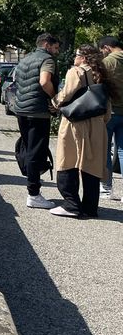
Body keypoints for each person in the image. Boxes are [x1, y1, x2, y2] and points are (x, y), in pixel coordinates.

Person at [50, 45, 113, 217]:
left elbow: (66, 94)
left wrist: (54, 102)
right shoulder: (101, 74)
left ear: (83, 57)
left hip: (75, 123)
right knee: (91, 165)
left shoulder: (76, 72)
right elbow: (107, 105)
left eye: (76, 55)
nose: (74, 58)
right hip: (98, 124)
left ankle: (71, 205)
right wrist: (102, 121)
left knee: (67, 161)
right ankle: (90, 207)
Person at [13, 33, 60, 209]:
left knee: (28, 148)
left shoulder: (25, 59)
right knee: (36, 152)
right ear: (47, 45)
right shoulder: (47, 59)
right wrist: (55, 98)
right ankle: (33, 194)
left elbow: (18, 81)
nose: (56, 52)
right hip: (38, 111)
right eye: (55, 48)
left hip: (21, 110)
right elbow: (44, 81)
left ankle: (32, 186)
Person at [97, 36, 123, 200]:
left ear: (106, 48)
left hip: (110, 112)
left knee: (105, 150)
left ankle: (107, 188)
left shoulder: (107, 63)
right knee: (122, 150)